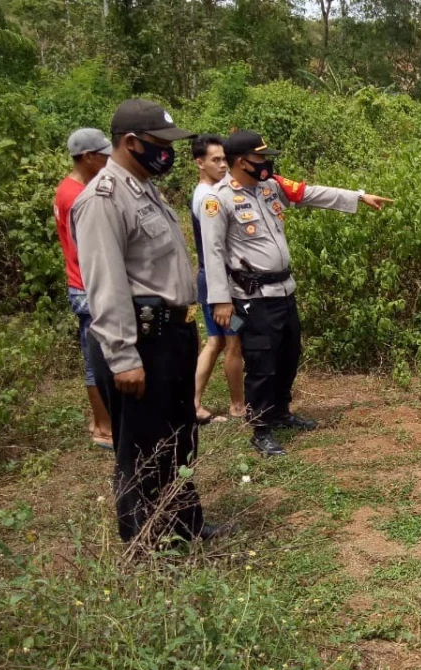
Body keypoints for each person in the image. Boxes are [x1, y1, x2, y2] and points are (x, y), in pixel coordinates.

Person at [72, 99, 229, 545]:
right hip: (140, 341)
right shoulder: (103, 200)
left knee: (177, 439)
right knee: (140, 449)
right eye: (160, 145)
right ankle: (144, 545)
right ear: (131, 143)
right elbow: (105, 285)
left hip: (170, 334)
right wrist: (122, 357)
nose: (168, 154)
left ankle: (184, 525)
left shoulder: (144, 187)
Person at [200, 130, 394, 458]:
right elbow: (212, 251)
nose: (266, 163)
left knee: (289, 354)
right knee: (261, 363)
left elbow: (311, 193)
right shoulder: (218, 199)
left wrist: (359, 197)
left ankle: (280, 412)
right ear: (241, 161)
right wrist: (220, 300)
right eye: (260, 158)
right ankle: (261, 429)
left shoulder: (271, 186)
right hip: (253, 296)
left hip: (284, 290)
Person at [53, 128, 114, 449]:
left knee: (98, 356)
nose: (108, 159)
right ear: (88, 157)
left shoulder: (70, 188)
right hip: (87, 287)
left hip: (83, 284)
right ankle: (104, 428)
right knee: (98, 359)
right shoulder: (75, 196)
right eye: (103, 154)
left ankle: (102, 420)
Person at [189, 134, 246, 424]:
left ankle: (194, 402)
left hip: (212, 280)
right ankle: (238, 405)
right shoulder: (207, 198)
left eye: (224, 158)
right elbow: (213, 247)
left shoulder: (211, 191)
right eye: (215, 160)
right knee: (231, 341)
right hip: (216, 281)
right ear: (199, 163)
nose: (223, 165)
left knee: (216, 341)